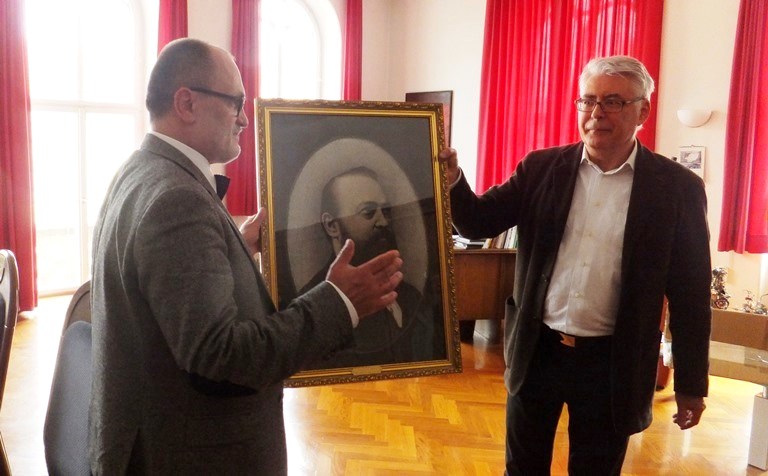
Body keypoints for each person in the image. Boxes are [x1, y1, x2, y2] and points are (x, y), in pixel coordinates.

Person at [89, 38, 404, 474]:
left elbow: (171, 290)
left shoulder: (141, 171)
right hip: (192, 455)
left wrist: (233, 245)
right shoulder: (177, 200)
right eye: (235, 102)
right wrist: (339, 301)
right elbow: (222, 355)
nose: (242, 119)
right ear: (186, 103)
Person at [439, 55, 711, 475]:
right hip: (538, 351)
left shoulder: (676, 189)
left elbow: (691, 297)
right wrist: (454, 180)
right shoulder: (541, 168)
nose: (596, 113)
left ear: (644, 110)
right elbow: (479, 219)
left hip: (613, 364)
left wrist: (692, 385)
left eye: (613, 102)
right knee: (522, 467)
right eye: (587, 100)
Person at [300, 166, 440, 368]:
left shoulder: (410, 297)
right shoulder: (312, 306)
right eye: (368, 212)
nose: (383, 222)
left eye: (386, 211)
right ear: (332, 225)